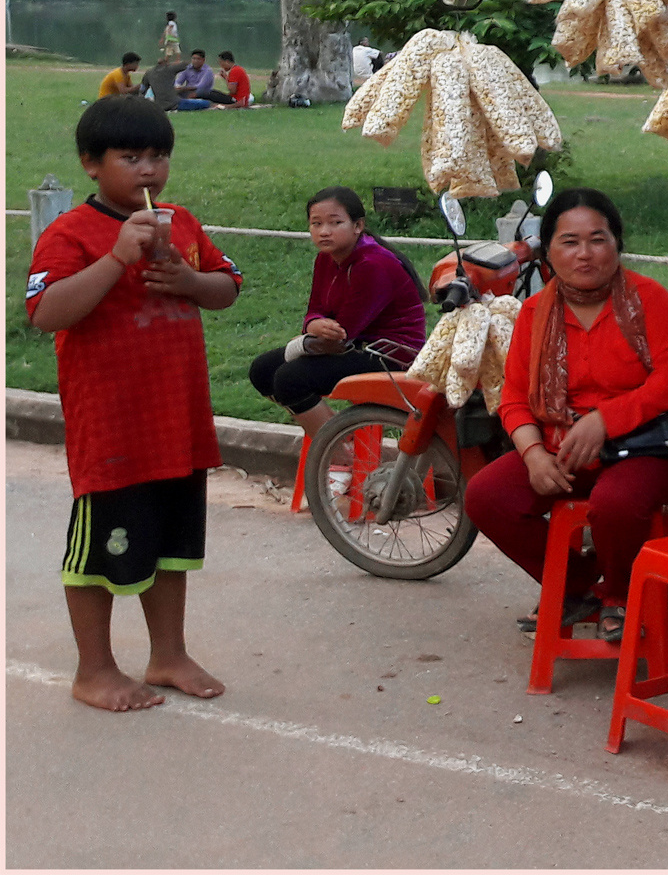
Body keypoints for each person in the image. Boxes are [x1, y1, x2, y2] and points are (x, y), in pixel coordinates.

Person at [25, 95, 243, 710]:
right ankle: (93, 669)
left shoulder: (181, 222)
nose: (148, 170)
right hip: (113, 431)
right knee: (102, 554)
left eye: (158, 156)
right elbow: (46, 312)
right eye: (130, 157)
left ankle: (167, 653)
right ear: (91, 164)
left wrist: (188, 280)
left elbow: (226, 288)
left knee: (173, 544)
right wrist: (117, 257)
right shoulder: (69, 233)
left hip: (177, 422)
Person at [464, 189, 668, 642]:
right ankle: (579, 585)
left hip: (645, 452)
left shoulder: (651, 300)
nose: (585, 254)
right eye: (570, 242)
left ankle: (619, 595)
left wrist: (605, 420)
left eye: (598, 239)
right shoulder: (535, 312)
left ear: (617, 244)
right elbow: (513, 395)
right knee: (485, 497)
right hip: (559, 449)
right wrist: (533, 454)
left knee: (615, 504)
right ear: (548, 250)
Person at [248, 187, 427, 438]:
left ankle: (339, 457)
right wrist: (312, 327)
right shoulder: (325, 259)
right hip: (355, 345)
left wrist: (304, 341)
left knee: (291, 379)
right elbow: (315, 311)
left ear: (358, 226)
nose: (324, 231)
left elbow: (342, 335)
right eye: (316, 223)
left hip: (390, 353)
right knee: (262, 370)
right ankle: (339, 438)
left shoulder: (373, 265)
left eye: (335, 223)